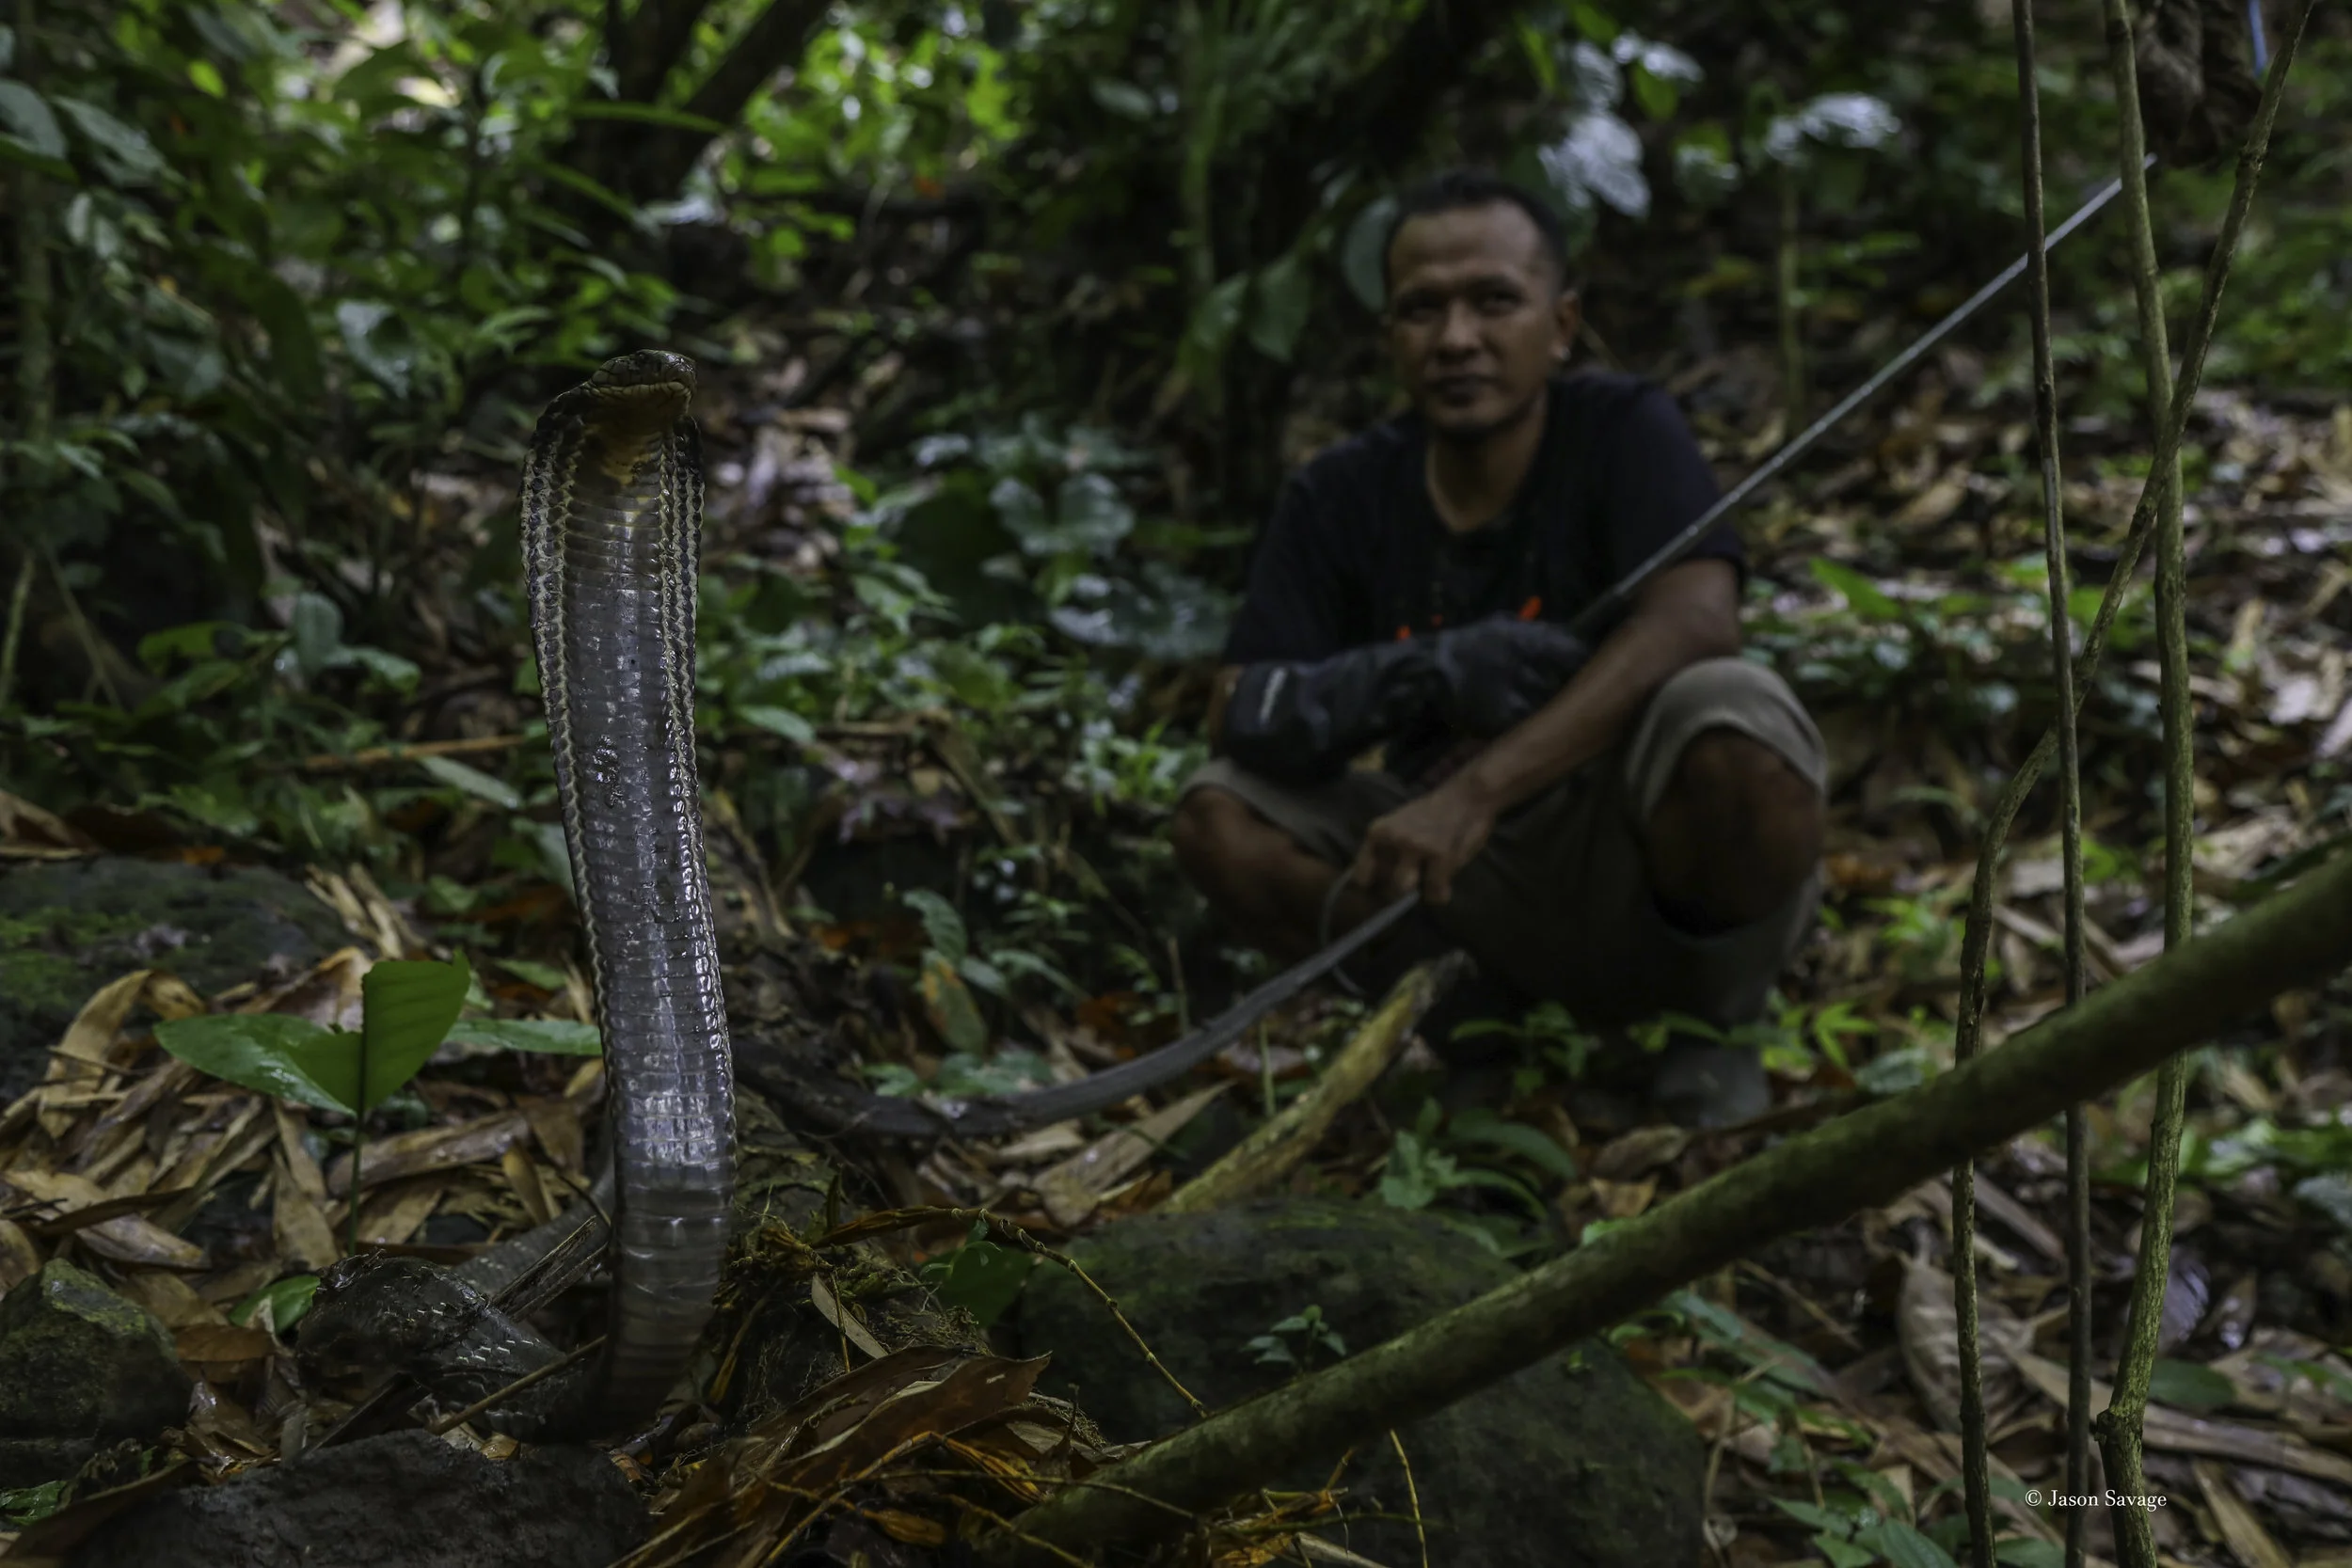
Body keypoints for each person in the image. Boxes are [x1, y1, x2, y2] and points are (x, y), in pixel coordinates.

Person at [1169, 168, 1829, 1129]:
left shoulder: (1623, 430)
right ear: (1390, 336)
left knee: (1736, 718)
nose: (1456, 339)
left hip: (1614, 838)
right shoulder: (1341, 493)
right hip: (1451, 878)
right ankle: (1475, 1032)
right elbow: (1238, 703)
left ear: (1560, 326)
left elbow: (1697, 619)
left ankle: (1715, 1026)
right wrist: (1430, 671)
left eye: (1493, 302)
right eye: (1422, 309)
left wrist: (1476, 792)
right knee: (1217, 814)